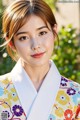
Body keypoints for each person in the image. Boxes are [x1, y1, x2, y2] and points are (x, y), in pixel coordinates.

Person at [0, 0, 80, 120]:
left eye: (42, 33)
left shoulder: (76, 94)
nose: (36, 45)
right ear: (11, 43)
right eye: (23, 37)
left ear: (54, 32)